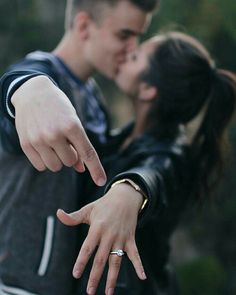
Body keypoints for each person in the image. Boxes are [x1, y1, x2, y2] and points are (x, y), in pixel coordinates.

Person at [57, 31, 236, 295]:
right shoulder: (118, 139)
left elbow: (155, 174)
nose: (125, 54)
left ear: (147, 89)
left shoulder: (173, 155)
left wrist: (130, 190)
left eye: (135, 56)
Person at [0, 1, 159, 294]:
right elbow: (16, 94)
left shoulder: (94, 98)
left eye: (138, 36)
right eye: (124, 35)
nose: (133, 47)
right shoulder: (42, 76)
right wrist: (27, 88)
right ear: (85, 26)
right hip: (16, 284)